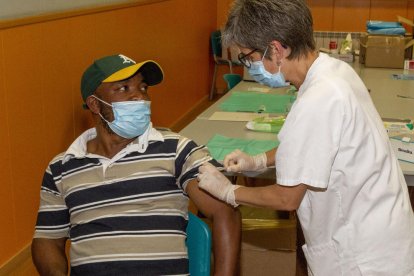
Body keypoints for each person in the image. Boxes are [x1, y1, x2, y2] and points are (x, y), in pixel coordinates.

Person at [197, 1, 414, 275]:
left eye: (248, 58)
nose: (248, 66)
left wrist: (229, 192)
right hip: (379, 231)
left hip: (362, 255)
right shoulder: (331, 71)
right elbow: (309, 145)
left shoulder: (319, 98)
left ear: (275, 50)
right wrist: (258, 160)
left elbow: (287, 199)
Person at [31, 54, 241, 275]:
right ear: (94, 104)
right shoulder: (61, 168)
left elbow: (225, 209)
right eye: (123, 88)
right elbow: (48, 240)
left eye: (143, 88)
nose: (139, 97)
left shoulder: (175, 150)